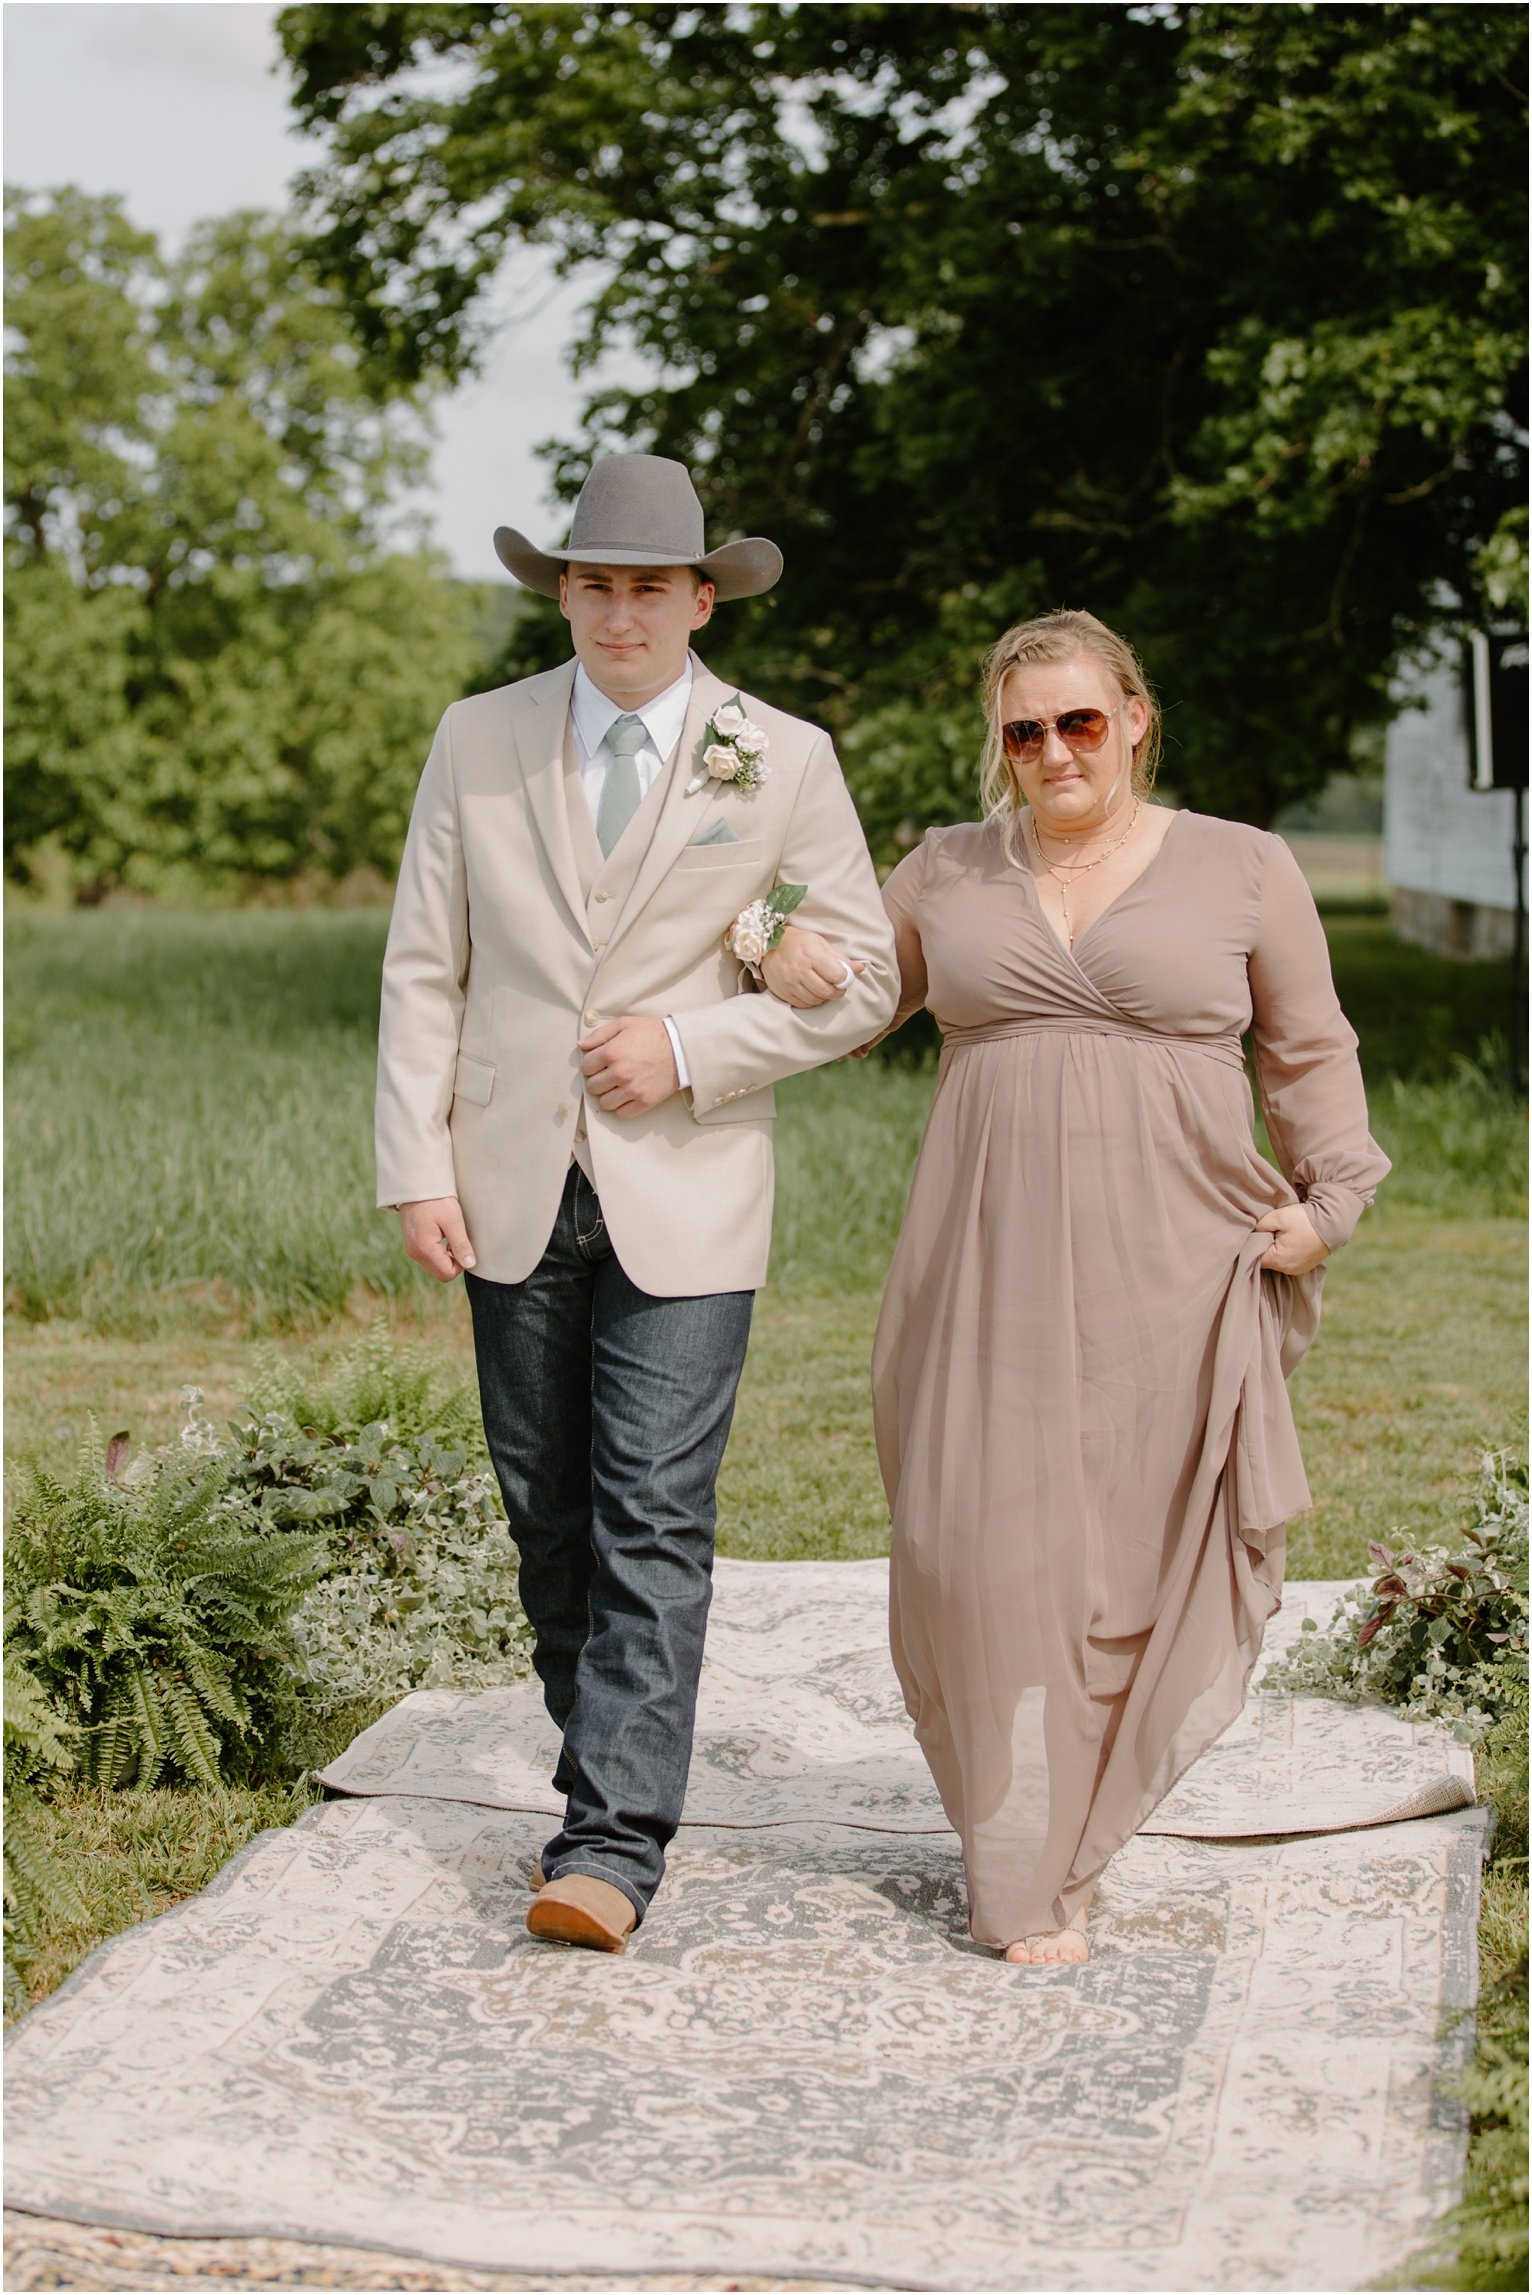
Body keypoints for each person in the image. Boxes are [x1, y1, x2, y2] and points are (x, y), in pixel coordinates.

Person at [767, 608, 1389, 1964]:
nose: (1054, 750)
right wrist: (767, 937)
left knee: (1127, 1556)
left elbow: (1307, 1050)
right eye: (1025, 730)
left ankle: (1069, 1849)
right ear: (1002, 743)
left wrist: (1330, 1202)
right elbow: (843, 1000)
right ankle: (1016, 1851)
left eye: (1080, 722)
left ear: (1135, 719)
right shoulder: (943, 871)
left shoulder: (1245, 866)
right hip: (982, 1262)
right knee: (973, 1548)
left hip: (1176, 1261)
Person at [375, 453, 898, 1953]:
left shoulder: (780, 757)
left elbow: (859, 973)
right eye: (592, 582)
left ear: (699, 600)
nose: (619, 611)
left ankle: (611, 1842)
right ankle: (601, 1759)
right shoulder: (477, 741)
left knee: (653, 1512)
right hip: (506, 1183)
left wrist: (691, 1044)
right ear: (565, 592)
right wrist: (415, 1162)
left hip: (692, 1189)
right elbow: (428, 964)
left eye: (648, 586)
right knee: (549, 1519)